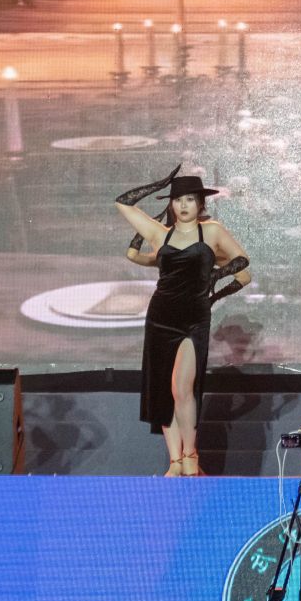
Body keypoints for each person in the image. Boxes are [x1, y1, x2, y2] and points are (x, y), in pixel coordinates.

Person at [114, 166, 253, 476]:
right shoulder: (158, 233)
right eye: (177, 199)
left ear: (200, 203)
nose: (183, 205)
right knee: (165, 390)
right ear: (171, 203)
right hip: (161, 316)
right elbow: (123, 202)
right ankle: (175, 461)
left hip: (194, 318)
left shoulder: (212, 230)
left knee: (182, 388)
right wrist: (161, 183)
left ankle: (191, 455)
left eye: (190, 199)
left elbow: (243, 263)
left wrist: (216, 285)